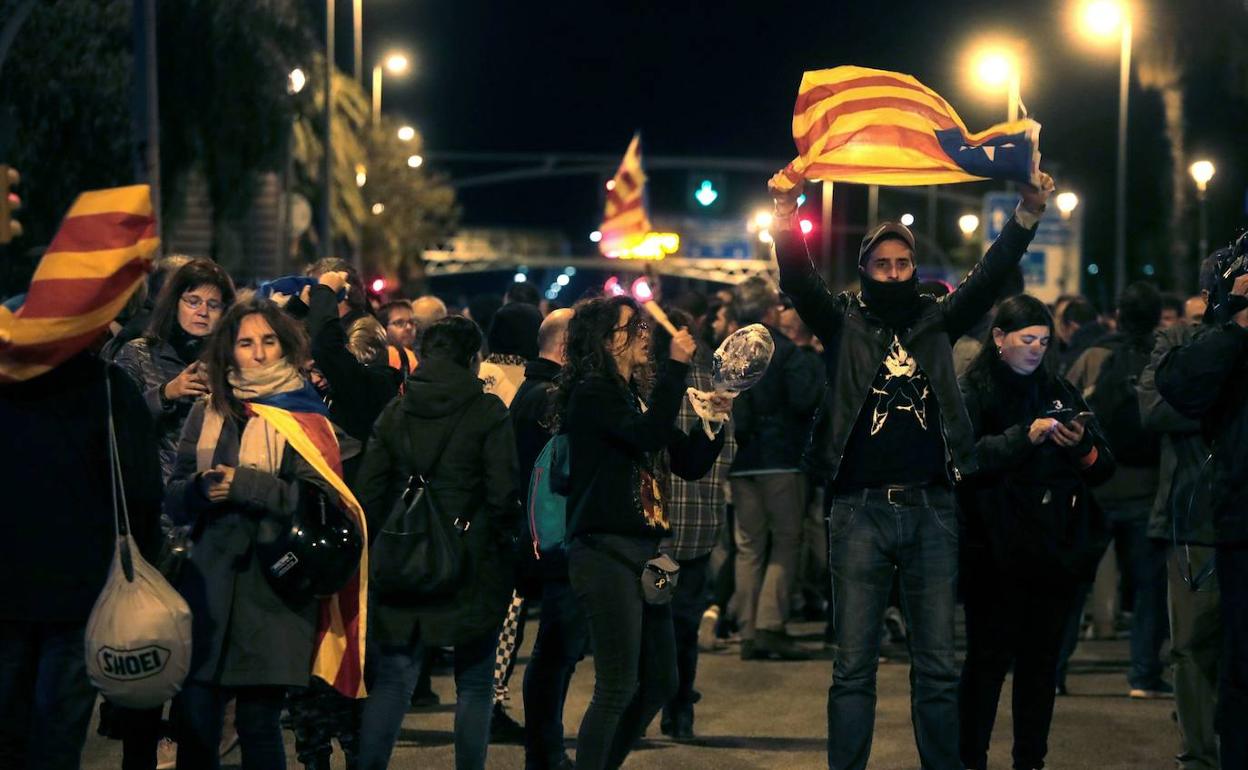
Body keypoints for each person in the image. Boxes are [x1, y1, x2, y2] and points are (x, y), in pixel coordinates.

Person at [772, 171, 1053, 770]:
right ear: (865, 268)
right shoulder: (841, 321)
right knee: (852, 669)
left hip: (932, 509)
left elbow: (990, 275)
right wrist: (783, 209)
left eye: (903, 263)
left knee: (937, 668)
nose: (895, 272)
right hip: (859, 509)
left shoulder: (937, 320)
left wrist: (1028, 214)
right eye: (883, 263)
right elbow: (797, 277)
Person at [165, 299, 358, 770]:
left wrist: (247, 485)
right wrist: (198, 489)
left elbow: (320, 500)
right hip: (206, 584)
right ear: (228, 351)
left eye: (267, 341)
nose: (257, 352)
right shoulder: (208, 409)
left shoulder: (305, 415)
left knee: (259, 725)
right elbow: (172, 492)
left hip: (273, 589)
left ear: (285, 346)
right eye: (245, 342)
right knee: (196, 720)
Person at [555, 296, 726, 770]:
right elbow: (647, 435)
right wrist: (675, 370)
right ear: (610, 340)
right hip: (604, 550)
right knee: (616, 685)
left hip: (649, 552)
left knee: (661, 681)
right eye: (635, 328)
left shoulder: (632, 395)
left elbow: (687, 462)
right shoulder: (592, 392)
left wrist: (714, 418)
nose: (646, 336)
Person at [956, 295, 1114, 770]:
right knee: (986, 667)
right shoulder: (973, 391)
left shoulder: (1059, 389)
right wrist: (1019, 439)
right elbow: (961, 460)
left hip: (1052, 553)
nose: (1036, 350)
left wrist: (1081, 445)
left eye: (1044, 341)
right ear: (999, 338)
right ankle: (970, 759)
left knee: (1039, 670)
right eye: (1027, 339)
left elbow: (1103, 465)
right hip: (993, 551)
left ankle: (1031, 760)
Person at [355, 315, 519, 770]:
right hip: (472, 562)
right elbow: (503, 493)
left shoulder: (395, 412)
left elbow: (368, 491)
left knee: (393, 682)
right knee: (475, 683)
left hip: (403, 559)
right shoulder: (488, 412)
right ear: (472, 359)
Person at [0, 350, 162, 770]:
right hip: (82, 591)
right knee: (58, 736)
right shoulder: (108, 386)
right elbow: (142, 491)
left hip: (11, 589)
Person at [1156, 263, 1248, 770]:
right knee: (1229, 662)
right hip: (1230, 526)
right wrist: (1236, 321)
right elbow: (1174, 391)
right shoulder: (1219, 339)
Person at [1060, 282, 1169, 698]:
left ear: (1117, 314)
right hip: (1147, 489)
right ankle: (1143, 675)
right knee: (1147, 589)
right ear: (1158, 316)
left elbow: (1065, 406)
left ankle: (1053, 671)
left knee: (1075, 587)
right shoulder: (1161, 358)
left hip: (1096, 486)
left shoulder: (1094, 355)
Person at [1139, 259, 1221, 770]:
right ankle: (1199, 754)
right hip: (1195, 514)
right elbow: (1152, 407)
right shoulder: (1178, 341)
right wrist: (1221, 404)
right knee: (1191, 644)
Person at [729, 276, 825, 661]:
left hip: (741, 461)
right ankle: (771, 624)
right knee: (786, 540)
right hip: (781, 459)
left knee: (748, 545)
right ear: (769, 310)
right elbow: (804, 401)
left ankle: (747, 630)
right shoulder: (784, 352)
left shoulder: (731, 350)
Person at [652, 307, 735, 740]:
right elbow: (727, 447)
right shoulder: (714, 383)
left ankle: (647, 707)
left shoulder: (647, 385)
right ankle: (680, 710)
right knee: (683, 625)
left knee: (652, 624)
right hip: (699, 525)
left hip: (654, 529)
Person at [515, 308, 585, 770]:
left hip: (538, 535)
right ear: (567, 346)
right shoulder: (549, 398)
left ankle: (545, 746)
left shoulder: (530, 390)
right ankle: (545, 749)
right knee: (555, 651)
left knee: (555, 650)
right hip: (554, 538)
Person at [116, 258, 236, 483]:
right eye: (193, 301)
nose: (203, 312)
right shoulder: (138, 353)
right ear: (175, 304)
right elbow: (118, 423)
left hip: (216, 491)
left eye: (213, 305)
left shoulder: (233, 360)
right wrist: (165, 394)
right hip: (155, 491)